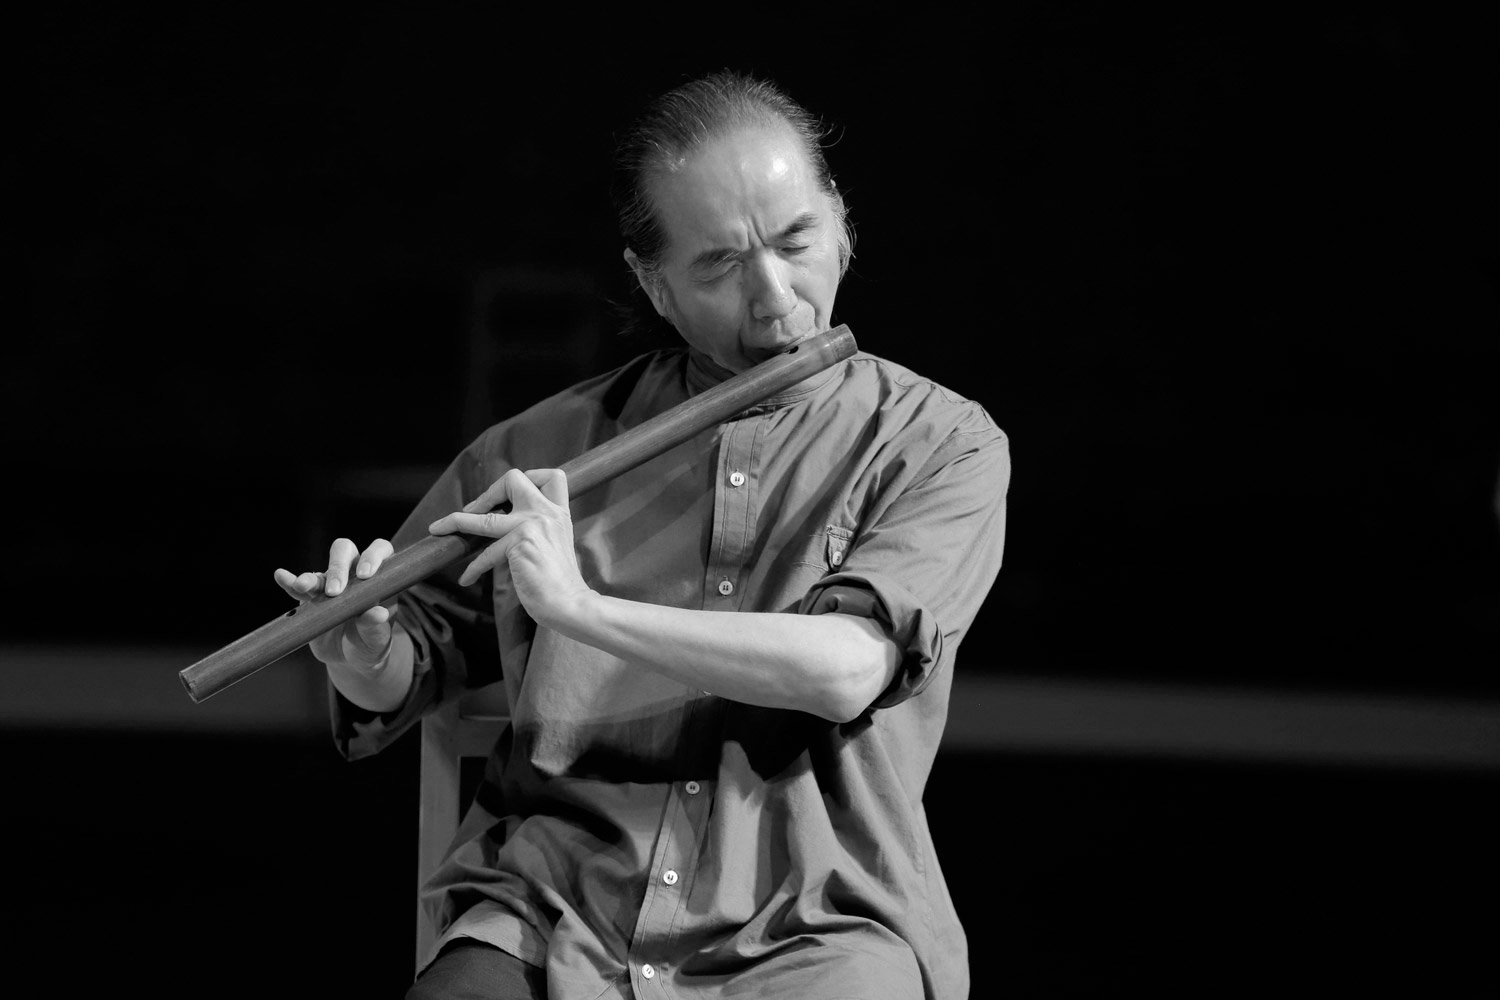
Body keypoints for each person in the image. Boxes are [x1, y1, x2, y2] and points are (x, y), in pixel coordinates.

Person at [275, 70, 1010, 1000]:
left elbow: (844, 671)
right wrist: (363, 647)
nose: (776, 299)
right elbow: (408, 669)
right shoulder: (537, 450)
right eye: (719, 265)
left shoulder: (941, 442)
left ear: (843, 221)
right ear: (650, 281)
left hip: (815, 922)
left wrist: (580, 611)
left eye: (797, 241)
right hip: (553, 909)